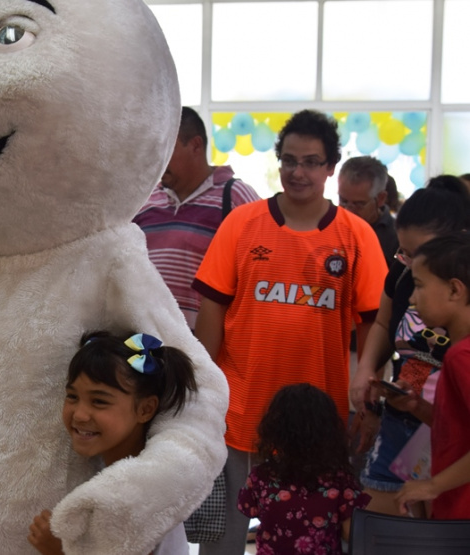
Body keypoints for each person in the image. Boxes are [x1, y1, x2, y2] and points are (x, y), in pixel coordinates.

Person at [192, 109, 387, 555]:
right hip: (241, 408)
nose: (298, 172)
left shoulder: (355, 236)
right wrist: (201, 388)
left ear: (330, 168)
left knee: (309, 538)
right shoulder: (242, 225)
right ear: (278, 162)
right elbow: (212, 310)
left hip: (318, 416)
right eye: (290, 160)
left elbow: (374, 323)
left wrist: (369, 395)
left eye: (311, 162)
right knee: (224, 538)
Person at [350, 176, 470, 516]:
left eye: (418, 256)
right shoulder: (406, 274)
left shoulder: (462, 354)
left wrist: (433, 486)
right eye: (403, 253)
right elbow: (413, 343)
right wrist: (401, 396)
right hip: (416, 420)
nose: (407, 262)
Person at [27, 331, 197, 555]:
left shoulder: (137, 497)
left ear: (145, 409)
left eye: (99, 401)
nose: (79, 415)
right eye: (72, 397)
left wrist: (59, 551)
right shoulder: (123, 476)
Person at [133, 106, 260, 331]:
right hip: (148, 346)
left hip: (206, 351)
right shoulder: (145, 201)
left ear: (195, 145)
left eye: (166, 149)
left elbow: (260, 273)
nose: (157, 159)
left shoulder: (236, 197)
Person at [238, 384, 370, 555]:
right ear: (330, 431)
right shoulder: (340, 480)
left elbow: (250, 509)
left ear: (273, 429)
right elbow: (350, 533)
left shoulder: (260, 476)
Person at [392, 232, 470, 519]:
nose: (412, 298)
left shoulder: (462, 356)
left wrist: (432, 486)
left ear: (454, 290)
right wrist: (417, 407)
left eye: (419, 286)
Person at [337, 156, 398, 265]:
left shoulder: (397, 238)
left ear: (381, 198)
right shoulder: (326, 226)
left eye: (358, 204)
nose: (348, 211)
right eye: (343, 201)